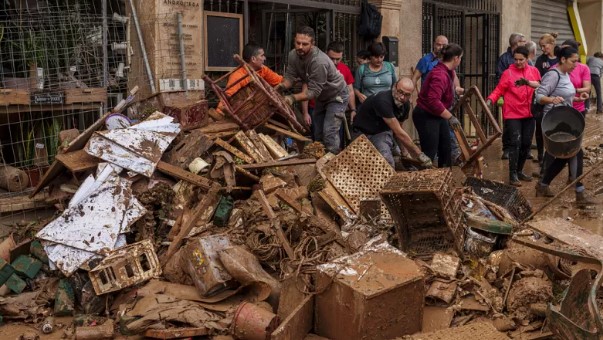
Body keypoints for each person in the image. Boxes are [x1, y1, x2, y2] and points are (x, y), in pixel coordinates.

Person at [534, 46, 594, 204]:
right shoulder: (553, 75)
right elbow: (539, 95)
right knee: (573, 153)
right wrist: (551, 100)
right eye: (573, 61)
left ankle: (544, 184)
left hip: (565, 119)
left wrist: (577, 98)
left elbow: (565, 95)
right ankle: (579, 193)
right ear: (563, 59)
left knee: (566, 155)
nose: (576, 64)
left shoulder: (566, 74)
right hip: (554, 122)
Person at [276, 26, 349, 154]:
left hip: (336, 95)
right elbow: (290, 77)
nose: (300, 47)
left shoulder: (319, 61)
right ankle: (320, 163)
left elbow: (313, 92)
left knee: (329, 133)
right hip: (322, 96)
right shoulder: (293, 55)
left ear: (312, 44)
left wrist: (291, 98)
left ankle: (333, 164)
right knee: (318, 133)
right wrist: (280, 87)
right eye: (298, 43)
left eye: (305, 44)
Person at [486, 46, 541, 186]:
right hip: (512, 113)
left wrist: (529, 84)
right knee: (515, 143)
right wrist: (490, 100)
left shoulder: (534, 71)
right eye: (515, 59)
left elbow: (541, 86)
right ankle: (512, 174)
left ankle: (520, 170)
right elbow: (499, 89)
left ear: (527, 58)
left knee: (526, 143)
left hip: (529, 113)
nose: (518, 62)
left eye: (521, 59)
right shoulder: (508, 73)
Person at [352, 78, 432, 168]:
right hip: (361, 132)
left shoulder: (405, 105)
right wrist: (419, 154)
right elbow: (398, 132)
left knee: (388, 162)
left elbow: (400, 130)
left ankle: (395, 156)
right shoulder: (383, 100)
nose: (402, 97)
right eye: (400, 92)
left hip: (381, 132)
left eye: (407, 95)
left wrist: (404, 153)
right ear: (394, 87)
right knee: (361, 165)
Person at [412, 43, 464, 168]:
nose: (460, 60)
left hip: (437, 115)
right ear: (456, 58)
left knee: (446, 149)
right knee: (430, 153)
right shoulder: (440, 74)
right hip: (426, 115)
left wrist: (455, 91)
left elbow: (443, 91)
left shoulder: (448, 71)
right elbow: (433, 101)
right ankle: (425, 182)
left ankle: (444, 181)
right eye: (460, 58)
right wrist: (450, 117)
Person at [301, 41, 356, 141]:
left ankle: (333, 155)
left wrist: (353, 109)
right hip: (316, 106)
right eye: (332, 58)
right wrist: (305, 113)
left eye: (338, 59)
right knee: (318, 136)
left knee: (332, 136)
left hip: (336, 106)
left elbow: (350, 90)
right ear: (326, 54)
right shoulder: (316, 66)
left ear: (342, 56)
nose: (334, 62)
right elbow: (306, 89)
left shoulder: (345, 69)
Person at [217, 42, 282, 113]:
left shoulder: (263, 70)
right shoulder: (238, 75)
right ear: (253, 59)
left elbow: (279, 80)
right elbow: (226, 97)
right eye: (262, 55)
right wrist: (219, 112)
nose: (264, 58)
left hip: (261, 110)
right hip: (245, 112)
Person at [497, 33, 528, 160]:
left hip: (523, 98)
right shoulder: (504, 59)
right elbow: (500, 77)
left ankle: (522, 148)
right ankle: (507, 148)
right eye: (523, 41)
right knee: (509, 124)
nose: (525, 43)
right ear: (516, 43)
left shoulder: (527, 59)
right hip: (509, 97)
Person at [533, 33, 560, 165]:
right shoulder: (540, 60)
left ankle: (553, 153)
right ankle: (540, 154)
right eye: (541, 46)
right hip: (543, 97)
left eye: (544, 46)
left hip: (557, 98)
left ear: (552, 44)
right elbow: (538, 78)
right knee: (539, 127)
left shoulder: (561, 58)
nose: (543, 49)